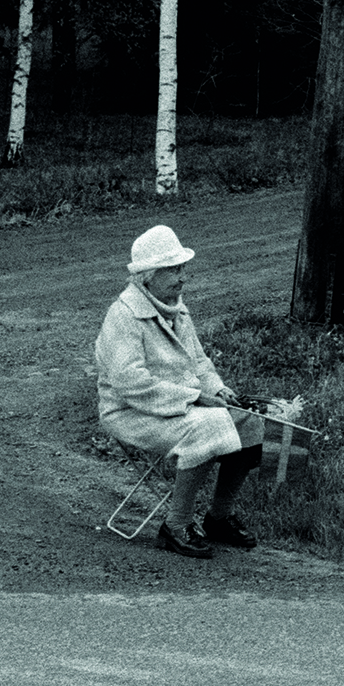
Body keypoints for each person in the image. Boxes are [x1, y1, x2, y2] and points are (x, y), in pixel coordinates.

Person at [96, 225, 265, 558]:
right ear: (148, 276)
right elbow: (130, 383)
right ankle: (175, 526)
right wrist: (194, 398)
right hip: (130, 412)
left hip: (177, 404)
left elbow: (198, 362)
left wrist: (217, 388)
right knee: (209, 425)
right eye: (173, 269)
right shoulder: (123, 316)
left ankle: (218, 518)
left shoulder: (175, 307)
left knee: (252, 421)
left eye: (182, 268)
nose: (182, 277)